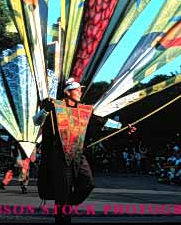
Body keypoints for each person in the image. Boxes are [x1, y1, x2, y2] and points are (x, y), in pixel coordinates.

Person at [33, 77, 121, 224]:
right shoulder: (54, 106)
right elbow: (36, 121)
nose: (80, 92)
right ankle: (63, 210)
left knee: (88, 184)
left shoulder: (83, 110)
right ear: (68, 92)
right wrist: (45, 110)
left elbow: (100, 120)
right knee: (63, 192)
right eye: (77, 89)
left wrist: (121, 125)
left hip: (77, 154)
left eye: (80, 89)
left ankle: (65, 203)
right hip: (59, 156)